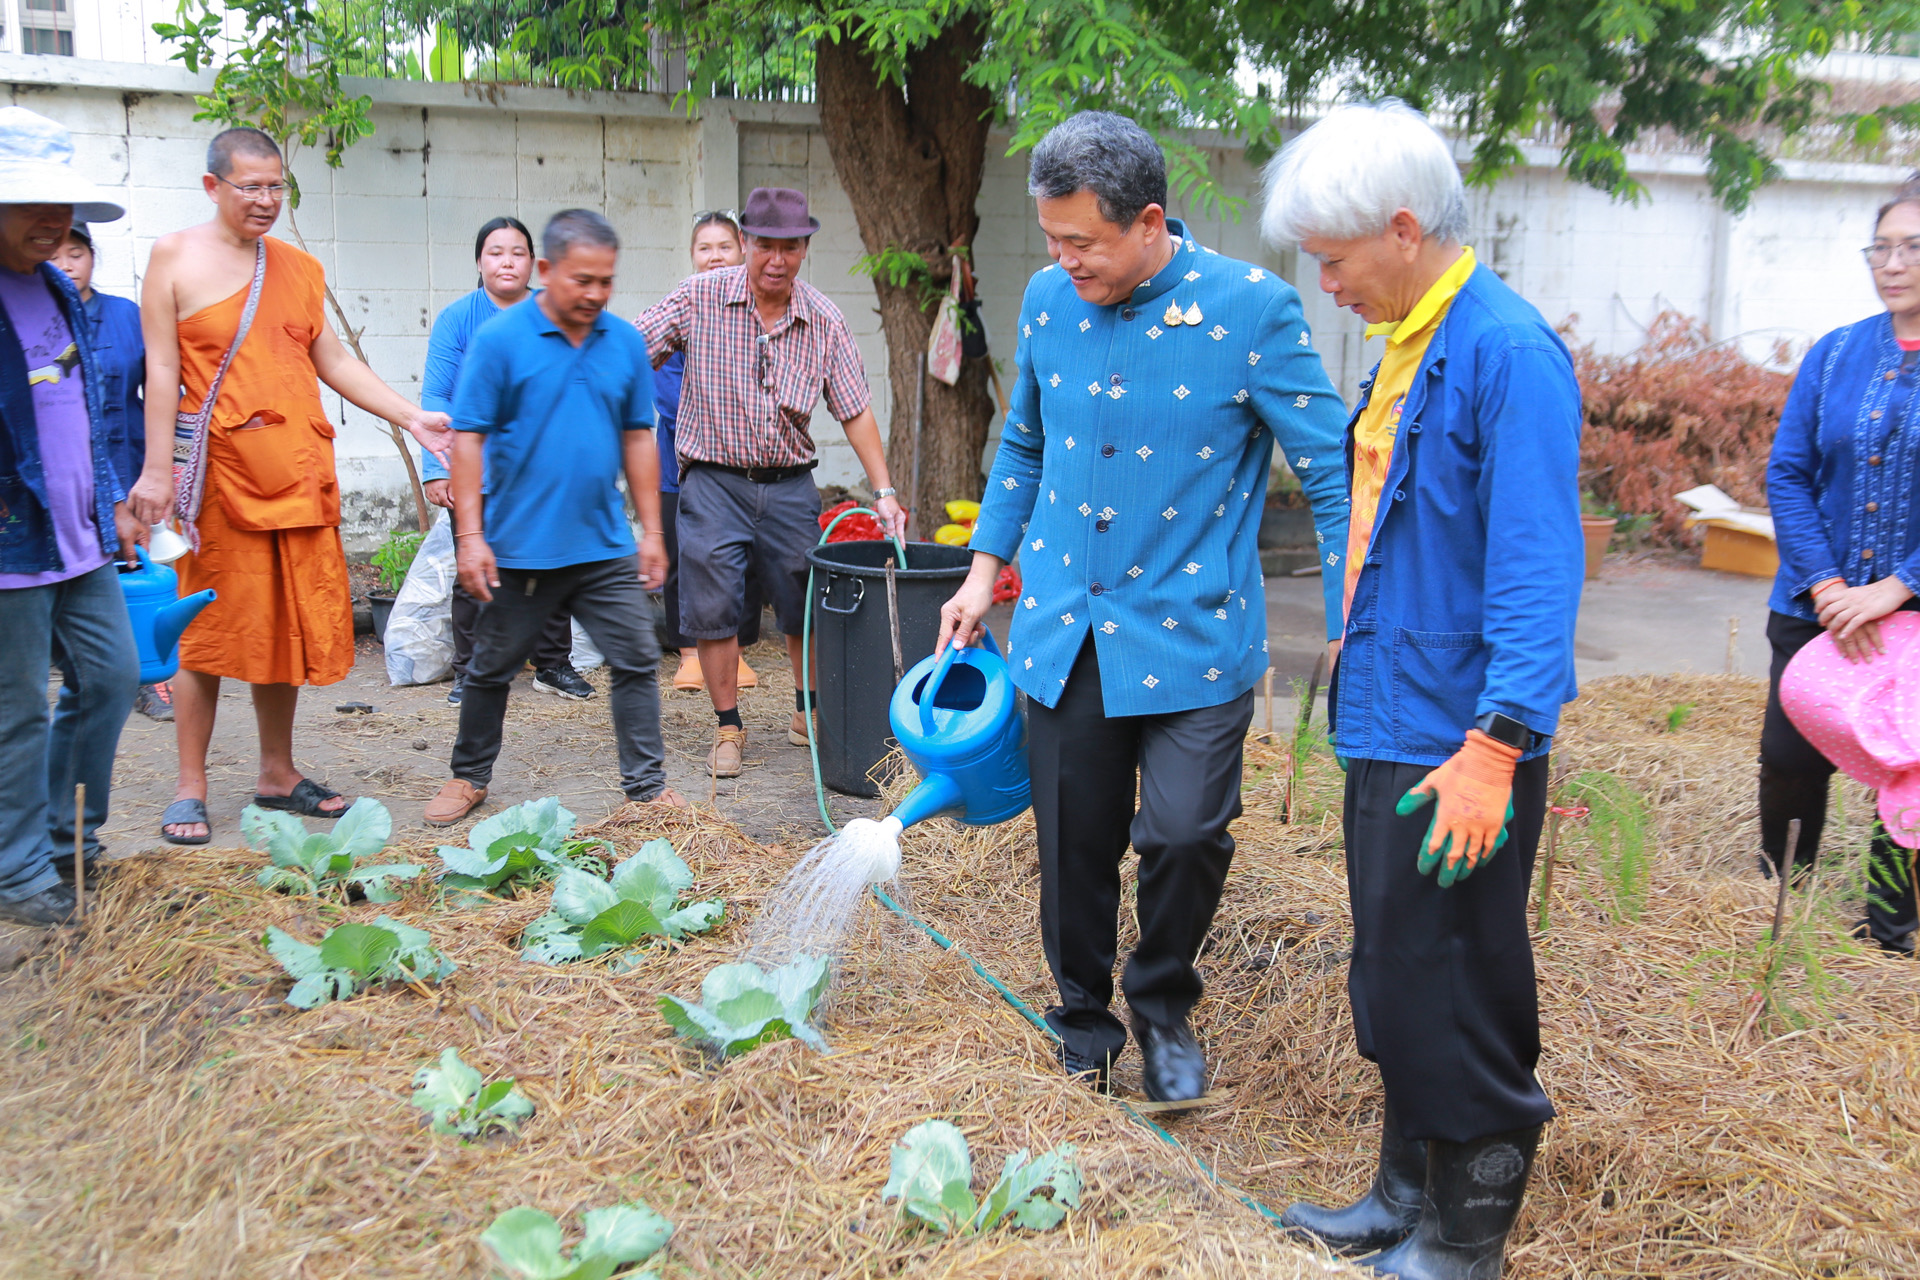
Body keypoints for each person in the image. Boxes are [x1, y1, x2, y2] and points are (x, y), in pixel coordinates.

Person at [935, 111, 1352, 1107]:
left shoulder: (1253, 311)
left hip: (1195, 638)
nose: (1063, 259)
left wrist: (1348, 619)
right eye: (1054, 239)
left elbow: (1333, 470)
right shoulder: (1046, 301)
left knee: (1183, 834)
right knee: (1074, 838)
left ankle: (1162, 1002)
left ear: (1150, 220)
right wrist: (979, 566)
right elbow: (1025, 446)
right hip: (1065, 630)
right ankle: (1085, 1016)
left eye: (1083, 241)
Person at [1260, 101, 1583, 1278]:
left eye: (1336, 261)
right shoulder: (1414, 339)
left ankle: (1467, 1228)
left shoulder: (1505, 350)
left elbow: (1540, 569)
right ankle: (1403, 1188)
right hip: (1392, 711)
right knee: (1396, 957)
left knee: (1462, 970)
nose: (1327, 284)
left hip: (1460, 734)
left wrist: (1498, 744)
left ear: (1403, 228)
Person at [127, 128, 453, 844]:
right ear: (213, 186)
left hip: (297, 474)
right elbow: (158, 372)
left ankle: (277, 773)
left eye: (278, 186)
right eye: (252, 187)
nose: (267, 201)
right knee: (202, 630)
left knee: (280, 630)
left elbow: (331, 359)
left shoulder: (299, 267)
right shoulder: (173, 257)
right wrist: (154, 471)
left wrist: (412, 417)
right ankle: (191, 784)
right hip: (217, 484)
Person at [636, 186, 906, 781]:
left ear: (804, 247)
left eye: (790, 247)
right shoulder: (699, 298)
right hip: (711, 480)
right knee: (711, 607)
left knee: (801, 601)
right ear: (747, 244)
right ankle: (728, 725)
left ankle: (806, 713)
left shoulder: (825, 319)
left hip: (788, 484)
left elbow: (855, 408)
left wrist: (884, 491)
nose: (776, 259)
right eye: (765, 245)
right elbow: (633, 349)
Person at [425, 209, 683, 826]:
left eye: (606, 281)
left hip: (601, 544)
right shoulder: (500, 341)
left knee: (636, 657)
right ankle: (469, 777)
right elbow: (468, 438)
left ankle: (646, 789)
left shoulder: (622, 341)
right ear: (547, 271)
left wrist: (650, 531)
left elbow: (638, 439)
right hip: (519, 549)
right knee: (490, 669)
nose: (595, 294)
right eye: (581, 280)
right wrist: (470, 537)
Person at [1761, 173, 1920, 955]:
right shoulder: (1834, 356)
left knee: (1909, 767)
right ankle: (1777, 907)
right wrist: (1827, 584)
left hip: (1911, 615)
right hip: (1813, 603)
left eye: (1912, 248)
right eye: (1881, 247)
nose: (1892, 264)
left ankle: (1889, 934)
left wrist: (1897, 587)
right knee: (1788, 758)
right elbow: (1787, 473)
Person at [0, 106, 142, 926]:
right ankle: (19, 874)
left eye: (65, 208)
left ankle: (70, 841)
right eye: (34, 204)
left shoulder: (56, 285)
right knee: (14, 708)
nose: (56, 222)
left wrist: (112, 497)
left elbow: (83, 411)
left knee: (113, 678)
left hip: (78, 536)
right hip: (11, 543)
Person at [419, 216, 593, 707]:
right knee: (475, 568)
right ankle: (470, 670)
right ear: (480, 261)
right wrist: (436, 468)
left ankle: (553, 665)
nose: (506, 262)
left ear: (532, 262)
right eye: (495, 252)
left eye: (517, 252)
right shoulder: (458, 319)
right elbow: (436, 395)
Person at [52, 220, 170, 722]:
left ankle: (146, 676)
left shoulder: (126, 316)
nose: (65, 264)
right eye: (55, 255)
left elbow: (164, 385)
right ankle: (78, 669)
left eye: (76, 253)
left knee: (135, 566)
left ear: (92, 258)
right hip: (61, 475)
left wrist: (166, 466)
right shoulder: (36, 318)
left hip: (129, 465)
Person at [658, 211, 761, 694]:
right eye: (705, 248)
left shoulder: (756, 312)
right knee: (686, 559)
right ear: (692, 256)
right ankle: (687, 655)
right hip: (681, 465)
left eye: (725, 246)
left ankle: (735, 651)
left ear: (742, 250)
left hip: (747, 468)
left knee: (739, 557)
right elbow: (667, 394)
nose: (715, 257)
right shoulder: (683, 308)